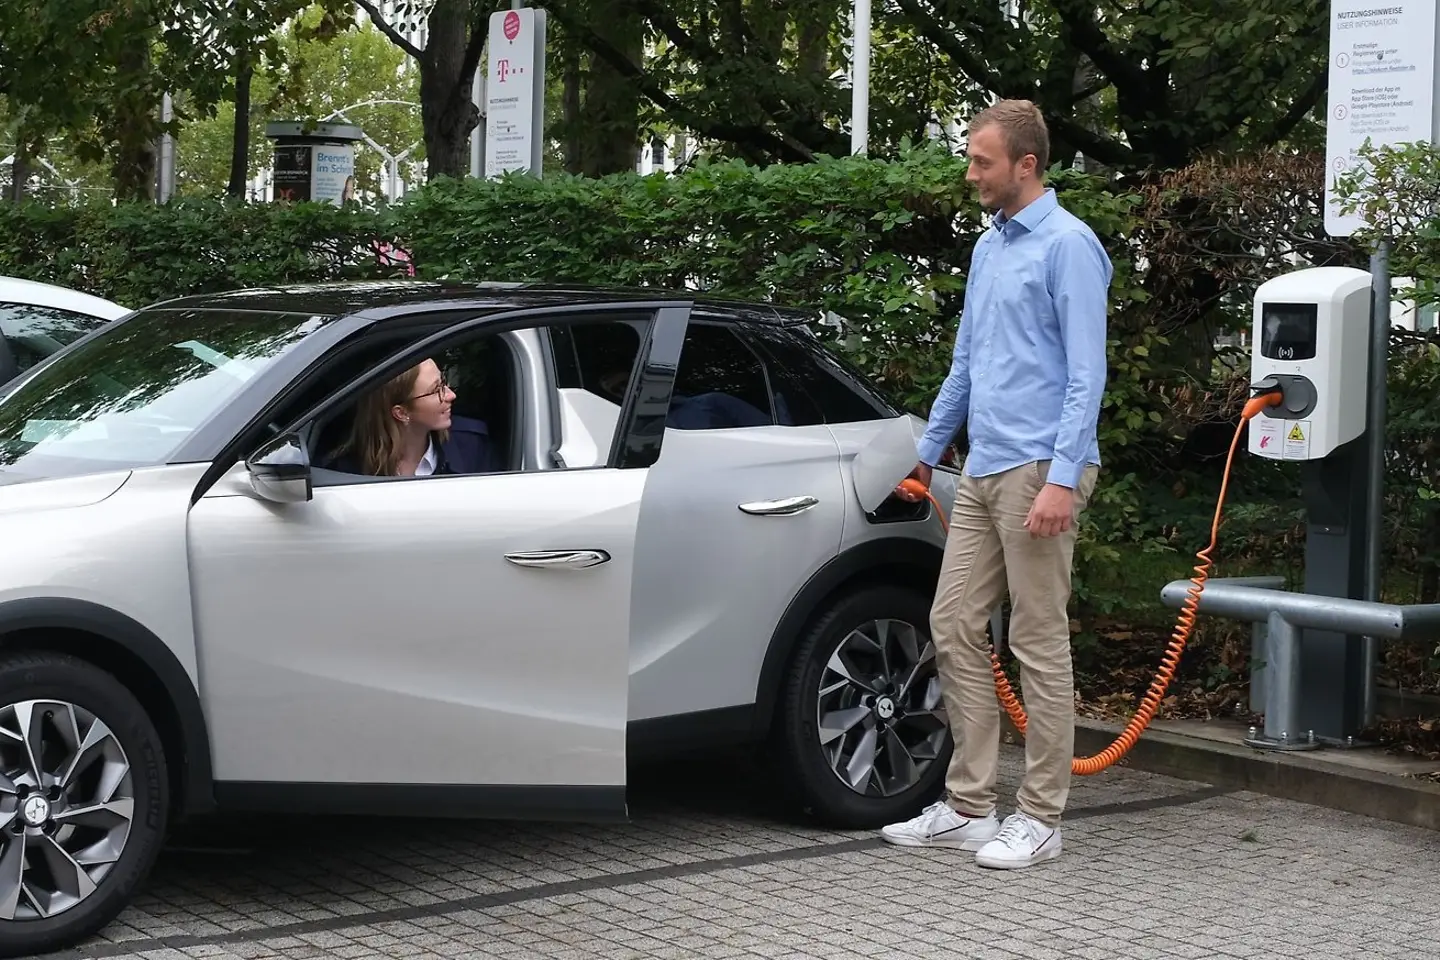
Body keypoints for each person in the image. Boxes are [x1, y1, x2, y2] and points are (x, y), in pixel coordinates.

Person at [880, 99, 1112, 869]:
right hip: (981, 467)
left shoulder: (1069, 247)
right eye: (971, 159)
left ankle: (1041, 818)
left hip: (1041, 468)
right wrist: (928, 452)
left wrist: (1064, 477)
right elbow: (967, 364)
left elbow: (1086, 374)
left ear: (1026, 165)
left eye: (982, 161)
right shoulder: (990, 249)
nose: (970, 173)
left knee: (1038, 643)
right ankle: (971, 805)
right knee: (953, 625)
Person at [326, 358, 495, 477]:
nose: (450, 395)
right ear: (401, 413)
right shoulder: (348, 469)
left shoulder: (472, 447)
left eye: (444, 382)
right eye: (436, 390)